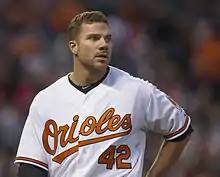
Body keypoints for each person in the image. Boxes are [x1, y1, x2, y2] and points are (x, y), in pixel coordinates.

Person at [14, 11, 193, 177]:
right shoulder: (46, 100)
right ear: (73, 47)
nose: (103, 45)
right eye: (93, 38)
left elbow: (181, 129)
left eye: (107, 39)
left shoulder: (136, 90)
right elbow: (31, 167)